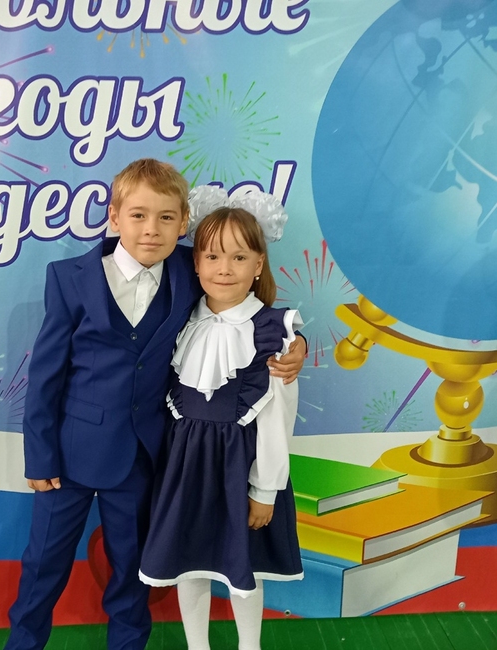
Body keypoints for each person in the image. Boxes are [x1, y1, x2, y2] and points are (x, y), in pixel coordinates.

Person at [4, 160, 306, 650]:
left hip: (146, 458)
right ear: (114, 216)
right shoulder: (69, 277)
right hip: (70, 455)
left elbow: (239, 311)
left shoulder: (193, 270)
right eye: (139, 215)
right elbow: (45, 375)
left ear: (183, 222)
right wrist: (39, 456)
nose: (152, 229)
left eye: (166, 217)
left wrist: (297, 344)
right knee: (43, 565)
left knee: (132, 571)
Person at [139, 186, 304, 650]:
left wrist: (265, 490)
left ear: (258, 265)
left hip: (239, 468)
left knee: (242, 567)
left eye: (239, 257)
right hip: (185, 467)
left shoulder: (274, 333)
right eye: (212, 256)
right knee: (188, 563)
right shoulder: (179, 320)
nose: (224, 269)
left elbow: (278, 421)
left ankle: (249, 646)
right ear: (196, 263)